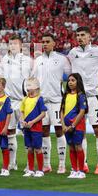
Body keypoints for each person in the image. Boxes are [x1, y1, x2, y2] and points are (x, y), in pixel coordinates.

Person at [68, 26, 98, 174]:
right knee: (80, 131)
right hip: (78, 97)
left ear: (90, 36)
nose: (79, 37)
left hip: (93, 96)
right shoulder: (73, 53)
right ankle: (83, 163)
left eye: (83, 35)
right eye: (77, 35)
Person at [33, 33, 71, 174]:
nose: (45, 44)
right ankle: (46, 164)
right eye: (43, 41)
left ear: (54, 43)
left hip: (57, 101)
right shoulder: (37, 60)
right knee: (44, 131)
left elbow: (71, 76)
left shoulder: (62, 59)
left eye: (47, 41)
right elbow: (33, 79)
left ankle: (62, 164)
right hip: (42, 101)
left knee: (60, 131)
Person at [0, 35, 32, 171]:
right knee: (10, 132)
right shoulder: (4, 60)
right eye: (10, 44)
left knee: (27, 131)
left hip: (24, 101)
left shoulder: (28, 60)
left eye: (14, 44)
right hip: (9, 101)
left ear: (21, 46)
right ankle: (12, 163)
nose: (12, 46)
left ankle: (29, 164)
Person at [61, 73, 88, 179]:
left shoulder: (81, 95)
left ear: (78, 82)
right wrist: (63, 125)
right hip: (66, 126)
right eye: (69, 80)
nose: (70, 82)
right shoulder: (65, 95)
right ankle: (74, 170)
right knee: (71, 147)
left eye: (73, 80)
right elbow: (62, 111)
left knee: (78, 146)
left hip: (77, 126)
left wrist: (73, 125)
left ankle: (81, 171)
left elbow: (82, 111)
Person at [20, 77, 47, 178]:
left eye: (29, 87)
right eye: (27, 87)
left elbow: (43, 113)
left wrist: (33, 122)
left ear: (36, 88)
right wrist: (23, 120)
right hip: (27, 128)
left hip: (36, 128)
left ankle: (40, 170)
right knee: (30, 149)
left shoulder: (39, 99)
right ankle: (30, 169)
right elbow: (22, 111)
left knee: (37, 149)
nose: (27, 89)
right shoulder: (25, 99)